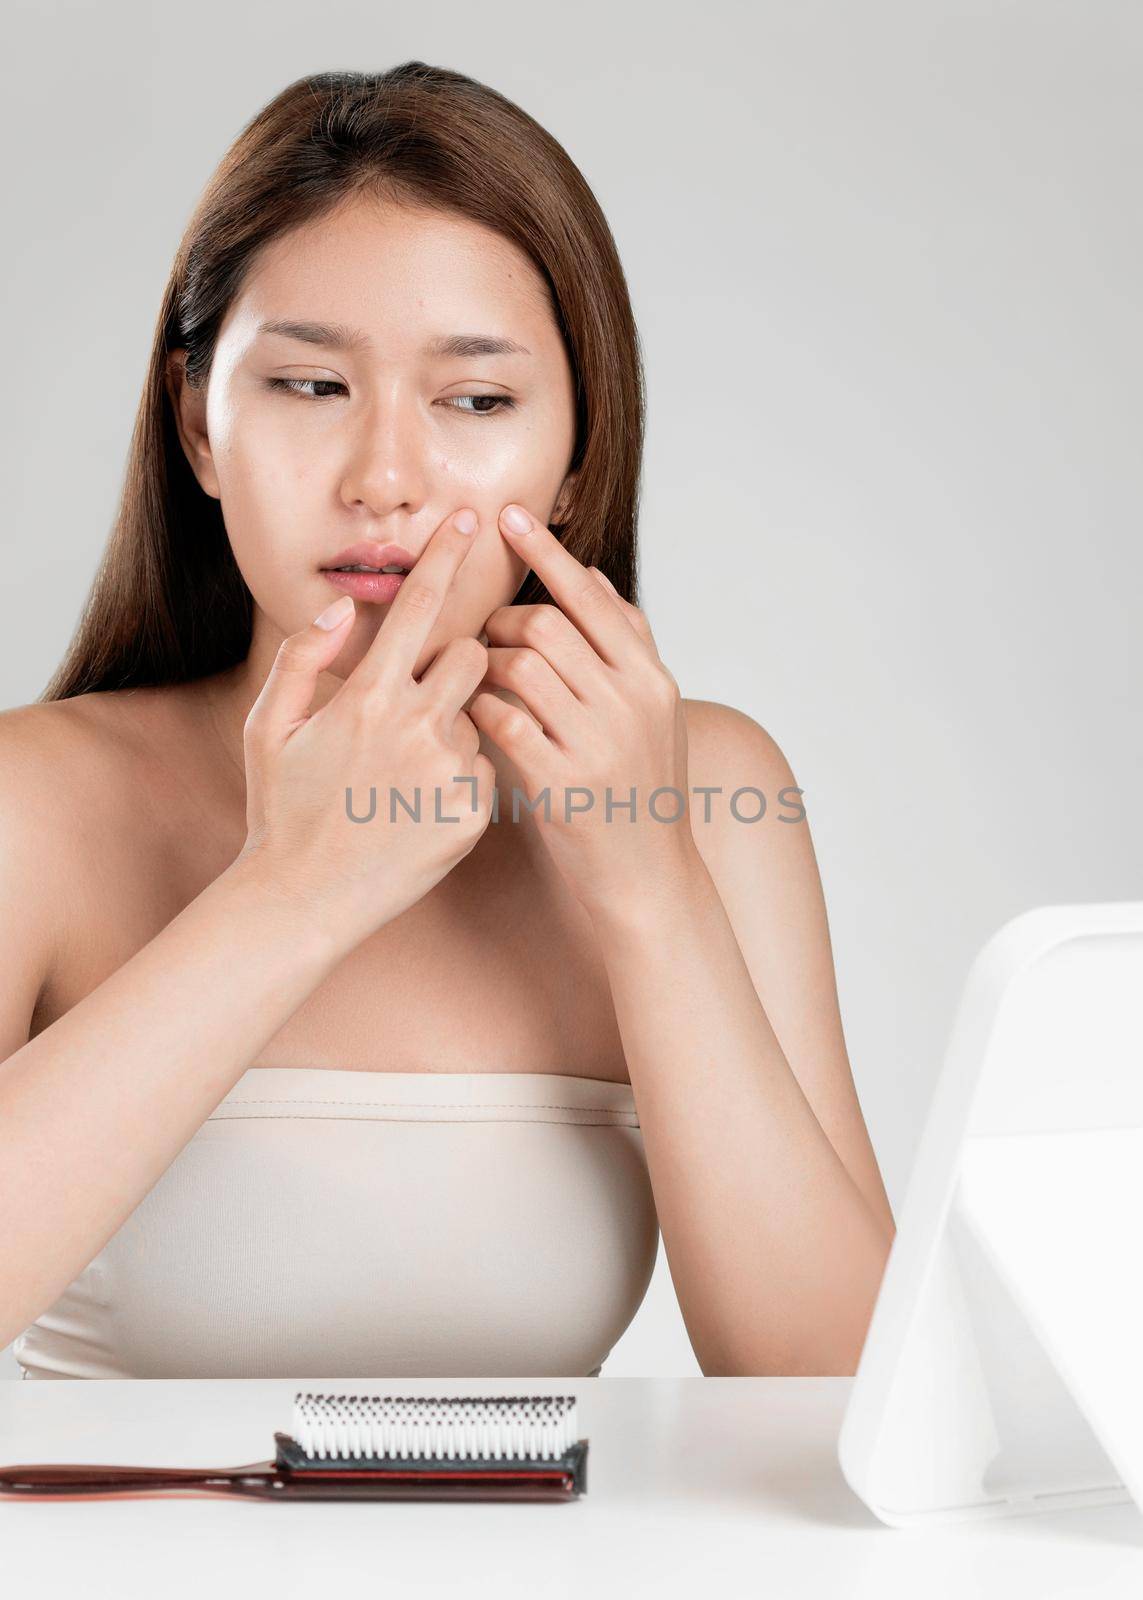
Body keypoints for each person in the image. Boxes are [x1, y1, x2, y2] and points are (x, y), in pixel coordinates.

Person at [0, 62, 894, 1381]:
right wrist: (293, 891)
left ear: (578, 459)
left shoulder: (709, 787)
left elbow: (843, 1394)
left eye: (476, 402)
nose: (383, 481)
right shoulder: (39, 799)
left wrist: (652, 892)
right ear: (197, 424)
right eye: (309, 387)